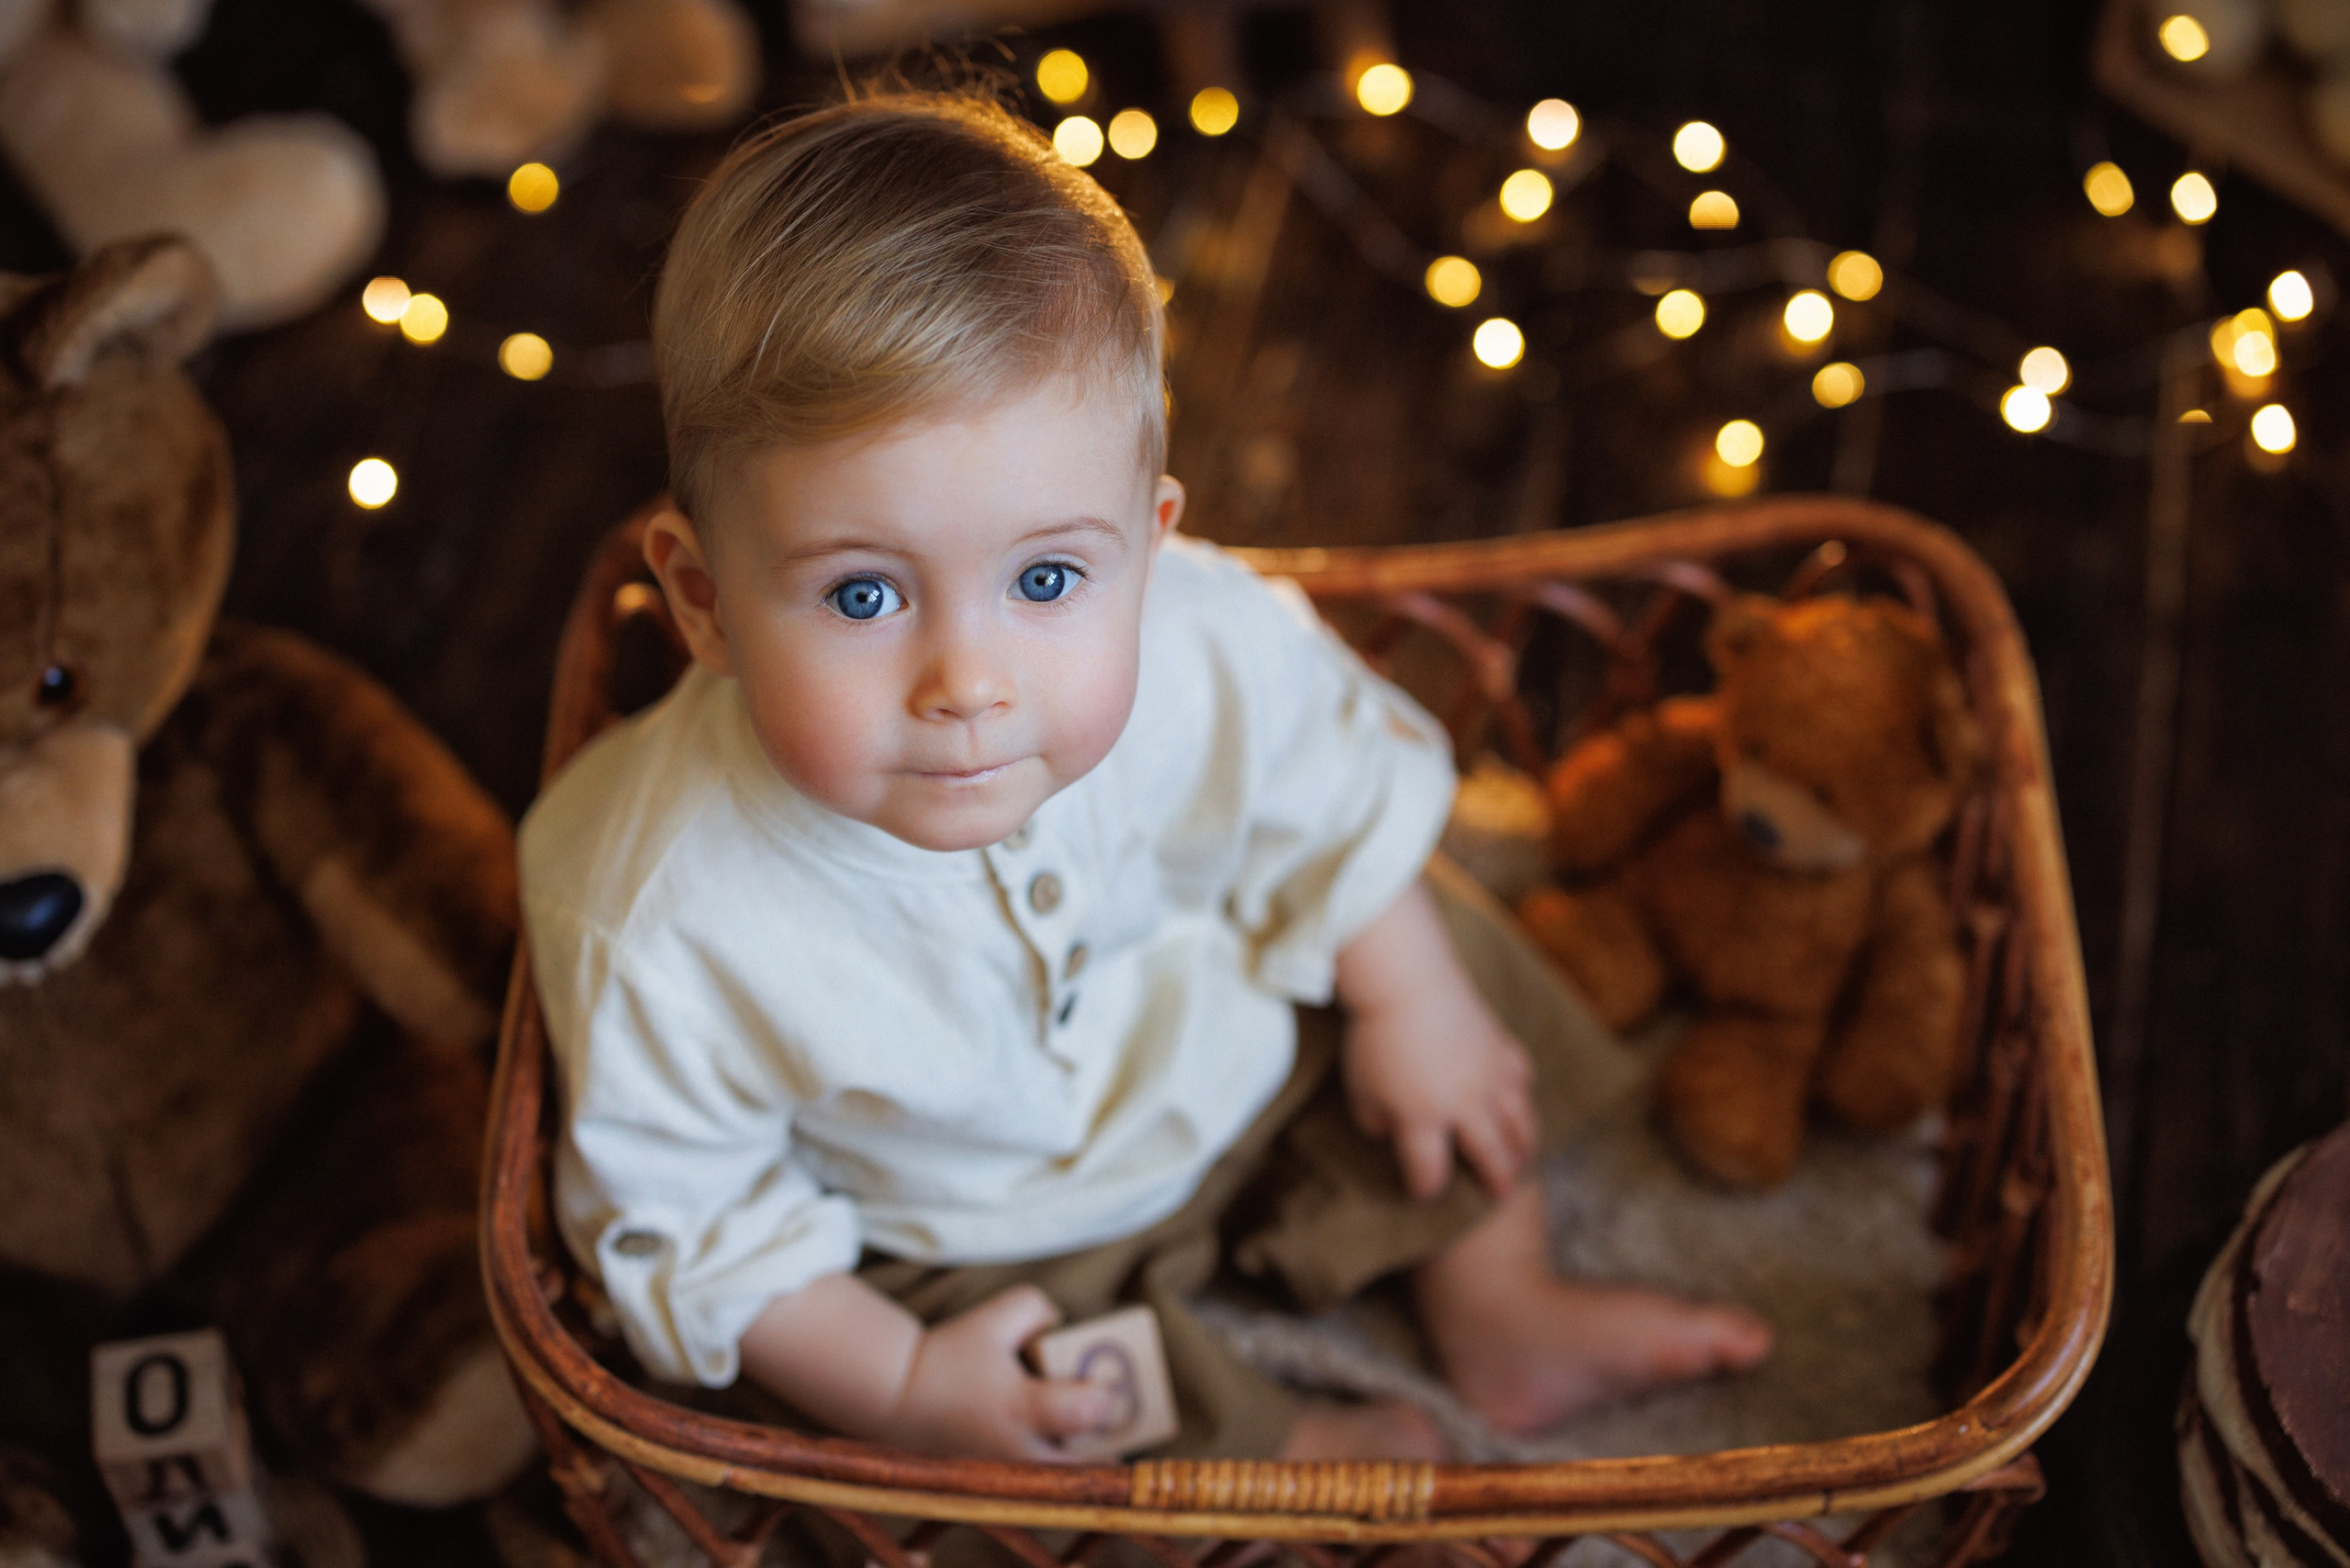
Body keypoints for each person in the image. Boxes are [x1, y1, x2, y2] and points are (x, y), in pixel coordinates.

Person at [520, 89, 1771, 1466]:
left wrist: (1409, 1003)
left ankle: (1501, 1299)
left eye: (1047, 578)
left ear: (1149, 541)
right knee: (1040, 1416)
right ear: (701, 600)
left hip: (1231, 1047)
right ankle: (1274, 1461)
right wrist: (906, 1381)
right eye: (865, 596)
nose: (967, 682)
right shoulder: (656, 911)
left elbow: (1329, 806)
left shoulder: (1203, 641)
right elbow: (701, 1222)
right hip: (980, 1230)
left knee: (1432, 952)